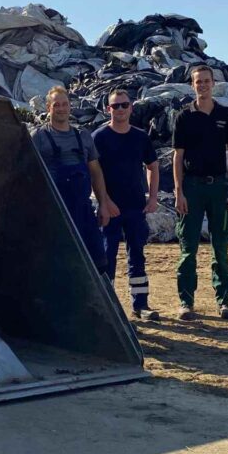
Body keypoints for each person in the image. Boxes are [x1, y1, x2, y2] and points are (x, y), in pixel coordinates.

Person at [172, 65, 228, 321]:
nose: (202, 85)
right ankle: (186, 302)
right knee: (188, 248)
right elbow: (177, 157)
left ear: (214, 84)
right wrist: (179, 192)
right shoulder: (183, 117)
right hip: (192, 187)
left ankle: (224, 302)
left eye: (206, 81)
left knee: (220, 247)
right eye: (198, 82)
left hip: (218, 187)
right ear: (192, 85)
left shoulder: (226, 114)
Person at [32, 86, 118, 274]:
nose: (61, 108)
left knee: (98, 262)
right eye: (57, 105)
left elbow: (96, 173)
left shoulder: (83, 136)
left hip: (83, 210)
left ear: (70, 106)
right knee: (61, 263)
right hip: (55, 212)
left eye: (65, 104)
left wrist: (103, 204)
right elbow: (29, 174)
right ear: (48, 108)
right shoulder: (39, 137)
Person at [93, 89, 161, 320]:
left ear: (131, 108)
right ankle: (108, 308)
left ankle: (140, 305)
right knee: (106, 257)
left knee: (137, 257)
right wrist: (104, 202)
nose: (120, 110)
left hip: (135, 207)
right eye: (115, 106)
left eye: (124, 105)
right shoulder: (99, 138)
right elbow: (94, 172)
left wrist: (152, 198)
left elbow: (152, 166)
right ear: (107, 109)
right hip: (109, 209)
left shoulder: (140, 137)